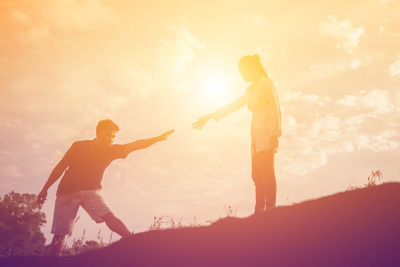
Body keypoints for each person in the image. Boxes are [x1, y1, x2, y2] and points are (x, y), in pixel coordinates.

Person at [37, 119, 174, 256]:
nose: (110, 139)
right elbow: (60, 167)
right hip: (68, 192)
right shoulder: (78, 146)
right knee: (60, 234)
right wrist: (45, 189)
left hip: (91, 191)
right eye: (108, 135)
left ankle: (131, 241)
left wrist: (157, 139)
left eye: (113, 136)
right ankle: (54, 261)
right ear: (98, 133)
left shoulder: (112, 150)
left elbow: (136, 145)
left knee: (109, 216)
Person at [193, 55, 282, 214]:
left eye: (242, 71)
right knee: (256, 174)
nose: (241, 75)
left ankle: (270, 210)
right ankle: (259, 210)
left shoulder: (266, 84)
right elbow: (233, 105)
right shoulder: (250, 90)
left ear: (252, 68)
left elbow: (276, 108)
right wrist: (210, 116)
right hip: (255, 133)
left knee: (267, 171)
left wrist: (275, 133)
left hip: (268, 131)